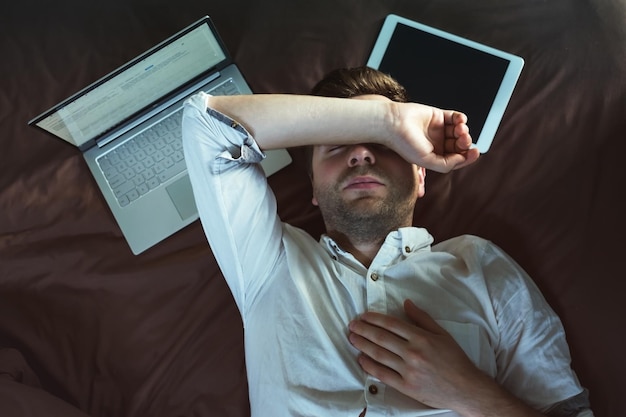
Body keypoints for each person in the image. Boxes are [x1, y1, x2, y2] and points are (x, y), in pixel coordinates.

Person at [181, 67, 592, 417]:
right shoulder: (268, 261)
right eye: (338, 146)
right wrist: (387, 122)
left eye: (383, 147)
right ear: (312, 188)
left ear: (421, 175)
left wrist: (466, 390)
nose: (361, 154)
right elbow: (205, 123)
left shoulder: (481, 265)